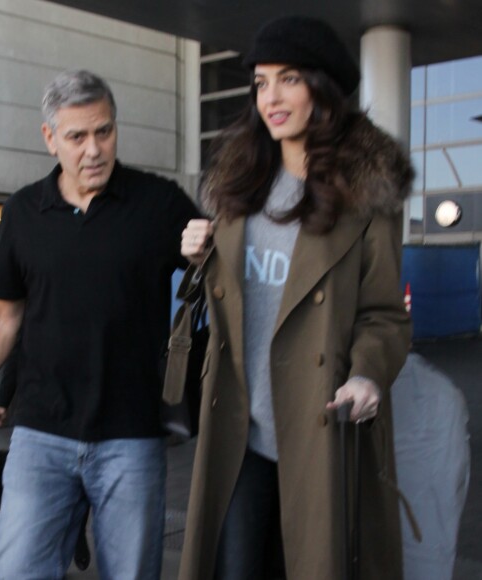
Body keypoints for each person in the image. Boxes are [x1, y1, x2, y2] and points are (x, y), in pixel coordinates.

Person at [175, 16, 414, 580]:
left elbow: (384, 315)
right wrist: (200, 254)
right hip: (241, 434)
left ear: (323, 90)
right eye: (260, 83)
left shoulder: (365, 198)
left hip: (319, 431)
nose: (271, 97)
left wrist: (367, 375)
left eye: (288, 79)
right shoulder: (239, 185)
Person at [0, 69, 200, 580]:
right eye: (77, 136)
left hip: (131, 437)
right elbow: (2, 319)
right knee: (17, 570)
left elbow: (218, 279)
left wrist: (203, 248)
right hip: (41, 434)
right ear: (50, 138)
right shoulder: (23, 212)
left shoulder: (159, 203)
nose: (94, 149)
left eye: (104, 131)